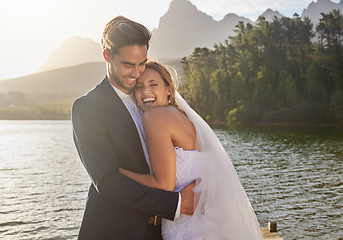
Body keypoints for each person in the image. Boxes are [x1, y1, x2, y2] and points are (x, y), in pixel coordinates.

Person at [71, 16, 195, 240]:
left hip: (165, 231)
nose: (137, 73)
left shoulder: (150, 99)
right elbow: (107, 181)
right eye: (128, 65)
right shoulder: (88, 108)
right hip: (116, 231)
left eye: (142, 63)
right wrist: (176, 204)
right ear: (107, 55)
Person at [119, 61, 265, 239]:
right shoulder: (183, 117)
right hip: (210, 222)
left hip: (188, 227)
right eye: (139, 87)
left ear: (168, 89)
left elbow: (163, 185)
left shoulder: (155, 116)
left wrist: (120, 173)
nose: (145, 92)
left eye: (153, 84)